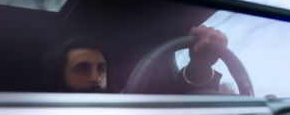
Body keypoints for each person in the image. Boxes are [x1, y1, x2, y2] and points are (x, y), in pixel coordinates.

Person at [44, 25, 229, 93]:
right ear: (60, 77)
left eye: (102, 69)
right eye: (82, 68)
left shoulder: (127, 105)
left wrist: (200, 66)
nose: (95, 77)